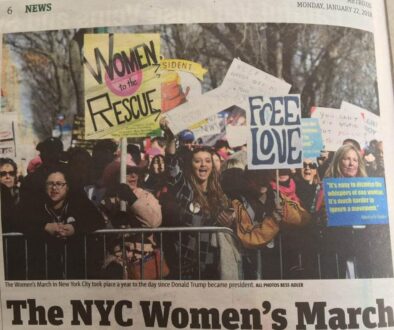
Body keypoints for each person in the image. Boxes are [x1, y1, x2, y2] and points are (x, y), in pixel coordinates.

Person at [17, 166, 106, 279]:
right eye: (50, 184)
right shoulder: (37, 204)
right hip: (46, 268)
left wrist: (75, 228)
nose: (54, 188)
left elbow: (98, 220)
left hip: (76, 266)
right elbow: (19, 220)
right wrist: (44, 227)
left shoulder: (78, 201)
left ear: (67, 187)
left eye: (59, 184)